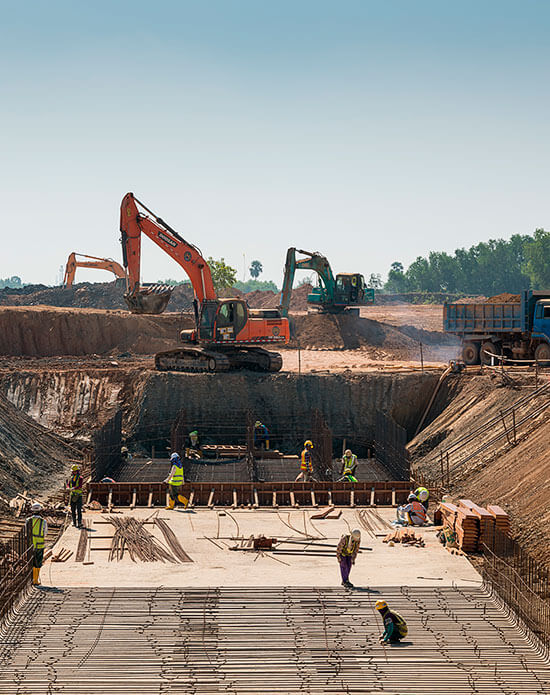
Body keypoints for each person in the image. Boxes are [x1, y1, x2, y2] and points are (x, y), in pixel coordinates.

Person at [26, 502, 47, 586]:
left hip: (30, 545)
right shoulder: (43, 521)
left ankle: (32, 579)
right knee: (38, 563)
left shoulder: (28, 520)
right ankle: (35, 579)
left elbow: (25, 532)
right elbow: (45, 533)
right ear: (40, 511)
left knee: (31, 562)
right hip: (39, 545)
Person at [67, 463, 84, 528]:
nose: (73, 472)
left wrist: (74, 488)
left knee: (79, 510)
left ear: (76, 471)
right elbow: (68, 484)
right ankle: (74, 522)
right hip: (72, 495)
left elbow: (80, 485)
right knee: (73, 510)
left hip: (78, 496)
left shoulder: (80, 478)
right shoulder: (71, 478)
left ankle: (79, 522)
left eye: (74, 471)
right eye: (72, 471)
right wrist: (68, 488)